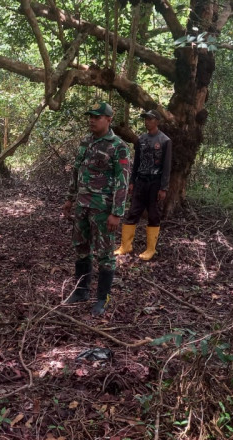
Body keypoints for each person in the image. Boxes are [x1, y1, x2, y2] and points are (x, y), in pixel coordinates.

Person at [62, 101, 131, 316]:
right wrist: (70, 199)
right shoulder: (86, 142)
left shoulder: (118, 146)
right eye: (90, 116)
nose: (92, 120)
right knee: (81, 248)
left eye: (97, 117)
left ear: (108, 120)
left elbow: (123, 181)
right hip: (82, 206)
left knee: (105, 255)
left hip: (103, 210)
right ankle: (81, 290)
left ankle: (102, 298)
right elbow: (77, 172)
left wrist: (116, 213)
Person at [114, 109, 172, 260]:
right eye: (145, 119)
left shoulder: (165, 141)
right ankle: (126, 245)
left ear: (157, 121)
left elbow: (166, 167)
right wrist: (132, 181)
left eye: (150, 119)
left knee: (153, 214)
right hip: (141, 181)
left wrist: (163, 187)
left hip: (155, 182)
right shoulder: (141, 139)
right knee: (133, 211)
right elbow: (137, 163)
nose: (147, 121)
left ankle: (150, 249)